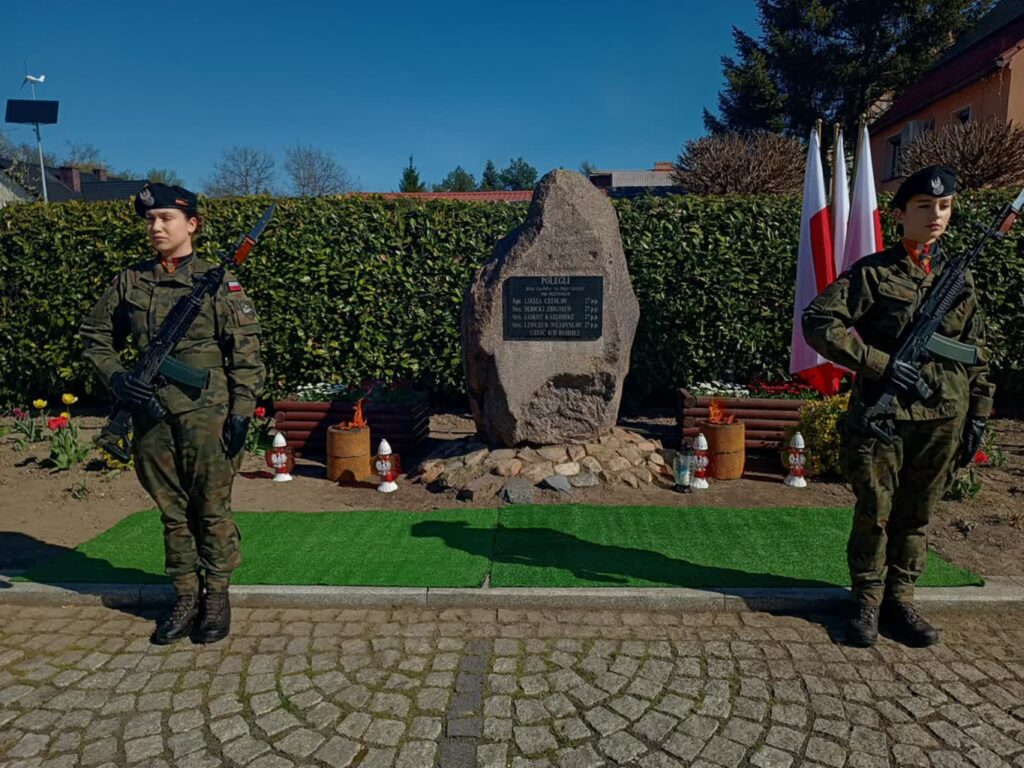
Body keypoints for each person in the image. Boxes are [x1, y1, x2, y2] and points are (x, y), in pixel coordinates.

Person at [803, 166, 994, 648]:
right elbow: (818, 320)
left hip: (943, 416)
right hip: (885, 417)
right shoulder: (873, 272)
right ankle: (866, 601)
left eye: (945, 207)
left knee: (919, 514)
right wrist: (878, 363)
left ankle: (901, 601)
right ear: (901, 214)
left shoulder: (959, 277)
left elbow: (977, 353)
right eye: (924, 207)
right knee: (876, 512)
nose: (936, 216)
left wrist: (978, 416)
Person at [80, 182, 265, 645]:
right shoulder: (130, 280)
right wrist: (117, 378)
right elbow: (94, 334)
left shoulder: (219, 282)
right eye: (150, 220)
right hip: (150, 413)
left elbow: (246, 353)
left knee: (212, 508)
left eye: (166, 218)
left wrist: (242, 410)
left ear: (192, 224)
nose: (156, 227)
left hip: (208, 414)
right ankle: (184, 595)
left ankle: (217, 596)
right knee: (172, 511)